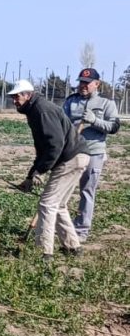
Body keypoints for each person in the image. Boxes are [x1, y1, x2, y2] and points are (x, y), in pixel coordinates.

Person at [9, 79, 89, 263]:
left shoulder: (41, 110)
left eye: (17, 96)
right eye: (13, 97)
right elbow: (42, 149)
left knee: (47, 204)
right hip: (75, 156)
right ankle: (73, 247)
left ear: (28, 95)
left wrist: (41, 171)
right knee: (58, 205)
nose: (14, 101)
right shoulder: (34, 110)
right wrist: (31, 176)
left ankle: (44, 253)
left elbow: (55, 145)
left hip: (70, 158)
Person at [63, 68, 121, 242]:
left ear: (97, 84)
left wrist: (94, 121)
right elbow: (62, 123)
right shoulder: (71, 102)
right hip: (73, 151)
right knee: (63, 189)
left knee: (87, 191)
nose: (83, 86)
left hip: (94, 152)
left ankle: (81, 231)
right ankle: (61, 225)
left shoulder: (106, 103)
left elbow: (114, 127)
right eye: (81, 82)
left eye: (87, 83)